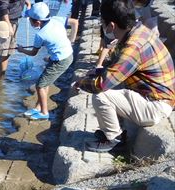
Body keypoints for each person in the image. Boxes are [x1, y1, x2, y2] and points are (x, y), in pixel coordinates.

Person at [74, 0, 175, 152]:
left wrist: (80, 82)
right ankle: (113, 130)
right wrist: (97, 72)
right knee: (107, 85)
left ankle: (114, 139)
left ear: (111, 25)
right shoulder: (139, 30)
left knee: (101, 96)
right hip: (156, 96)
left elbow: (101, 85)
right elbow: (117, 69)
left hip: (156, 106)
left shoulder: (133, 47)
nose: (103, 26)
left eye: (103, 22)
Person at [17, 2, 76, 120]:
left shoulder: (40, 35)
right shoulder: (56, 19)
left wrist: (22, 50)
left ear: (37, 22)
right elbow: (75, 22)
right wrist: (71, 40)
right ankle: (38, 107)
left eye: (30, 19)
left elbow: (33, 53)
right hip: (66, 54)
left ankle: (44, 113)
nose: (29, 21)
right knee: (45, 81)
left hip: (60, 60)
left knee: (39, 85)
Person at [0, 0, 30, 75]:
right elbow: (3, 7)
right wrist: (8, 25)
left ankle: (1, 76)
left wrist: (28, 3)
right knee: (3, 52)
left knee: (9, 51)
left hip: (15, 21)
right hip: (5, 23)